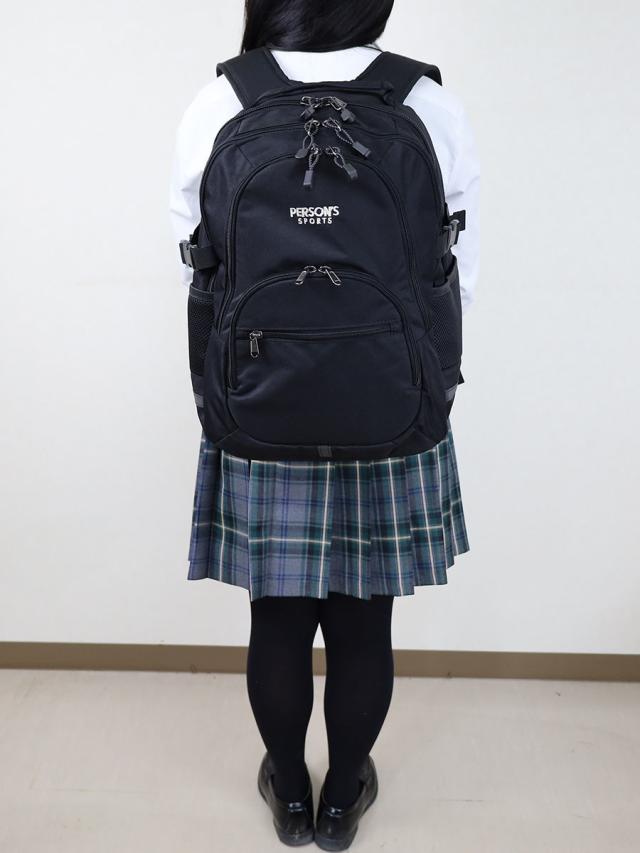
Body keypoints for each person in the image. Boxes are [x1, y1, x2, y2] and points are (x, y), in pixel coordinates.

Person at [169, 0, 479, 847]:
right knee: (364, 618)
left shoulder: (223, 102)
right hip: (390, 398)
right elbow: (457, 267)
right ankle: (342, 797)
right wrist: (421, 374)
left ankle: (289, 793)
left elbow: (194, 262)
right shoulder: (425, 103)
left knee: (277, 616)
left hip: (261, 398)